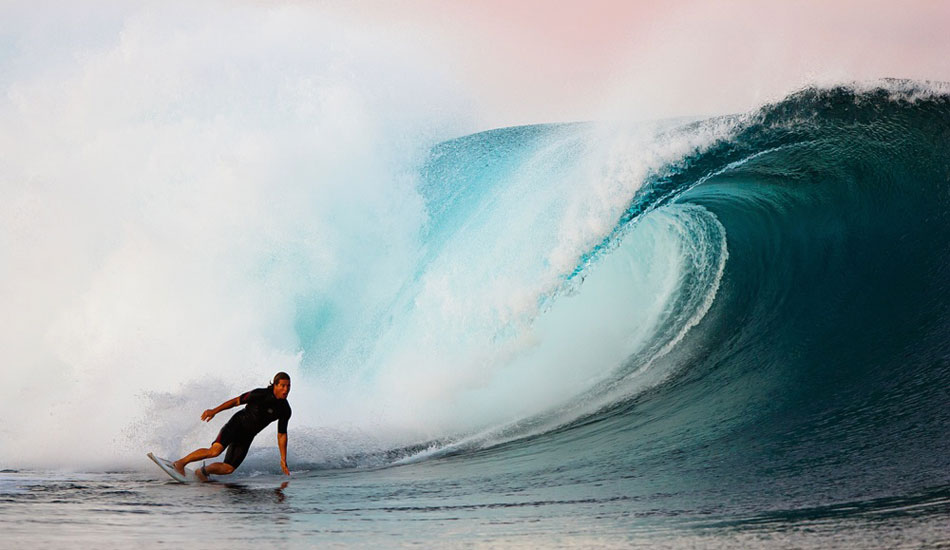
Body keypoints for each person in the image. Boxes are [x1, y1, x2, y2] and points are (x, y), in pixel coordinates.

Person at [174, 372, 292, 481]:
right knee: (215, 451)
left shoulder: (285, 409)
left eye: (288, 386)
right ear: (275, 385)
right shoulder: (260, 394)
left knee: (228, 469)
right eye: (282, 386)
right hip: (237, 425)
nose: (286, 389)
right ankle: (181, 463)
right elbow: (236, 401)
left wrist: (283, 459)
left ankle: (203, 472)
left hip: (247, 436)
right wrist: (214, 411)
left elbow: (281, 435)